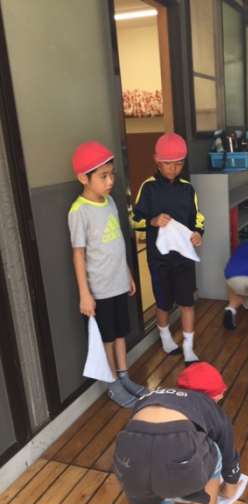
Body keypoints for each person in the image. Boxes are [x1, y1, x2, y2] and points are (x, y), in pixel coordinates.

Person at [113, 362, 241, 504]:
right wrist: (229, 488)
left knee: (155, 503)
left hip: (130, 459)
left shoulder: (152, 396)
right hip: (175, 455)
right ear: (214, 397)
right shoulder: (208, 405)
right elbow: (229, 455)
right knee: (214, 450)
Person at [69, 141, 144, 408]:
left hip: (118, 283)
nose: (110, 181)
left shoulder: (110, 201)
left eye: (111, 174)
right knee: (107, 337)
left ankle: (124, 377)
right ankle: (112, 384)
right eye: (103, 176)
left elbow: (117, 243)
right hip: (99, 289)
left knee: (121, 333)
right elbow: (78, 254)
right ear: (83, 178)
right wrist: (84, 294)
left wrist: (128, 274)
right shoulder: (79, 211)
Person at [133, 133, 205, 364]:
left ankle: (188, 347)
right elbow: (134, 219)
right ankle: (165, 336)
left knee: (187, 302)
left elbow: (198, 217)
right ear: (157, 160)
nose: (174, 168)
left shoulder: (187, 189)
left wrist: (198, 233)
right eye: (168, 163)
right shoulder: (148, 188)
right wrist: (152, 221)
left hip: (183, 257)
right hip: (159, 258)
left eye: (179, 163)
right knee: (163, 302)